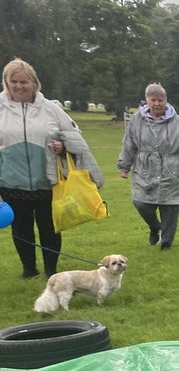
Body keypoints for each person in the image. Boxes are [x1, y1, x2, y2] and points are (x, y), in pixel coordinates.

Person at [0, 58, 104, 279]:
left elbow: (76, 138)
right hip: (10, 181)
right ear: (6, 83)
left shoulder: (51, 109)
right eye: (14, 81)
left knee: (49, 227)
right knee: (21, 229)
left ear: (34, 83)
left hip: (47, 181)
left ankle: (51, 271)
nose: (19, 86)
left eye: (24, 82)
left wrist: (62, 145)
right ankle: (29, 269)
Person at [116, 82, 179, 251]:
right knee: (140, 203)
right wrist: (124, 166)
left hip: (172, 169)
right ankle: (155, 227)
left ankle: (166, 243)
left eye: (160, 100)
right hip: (145, 169)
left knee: (170, 208)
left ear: (166, 100)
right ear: (147, 100)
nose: (157, 104)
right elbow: (128, 144)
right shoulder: (136, 120)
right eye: (153, 100)